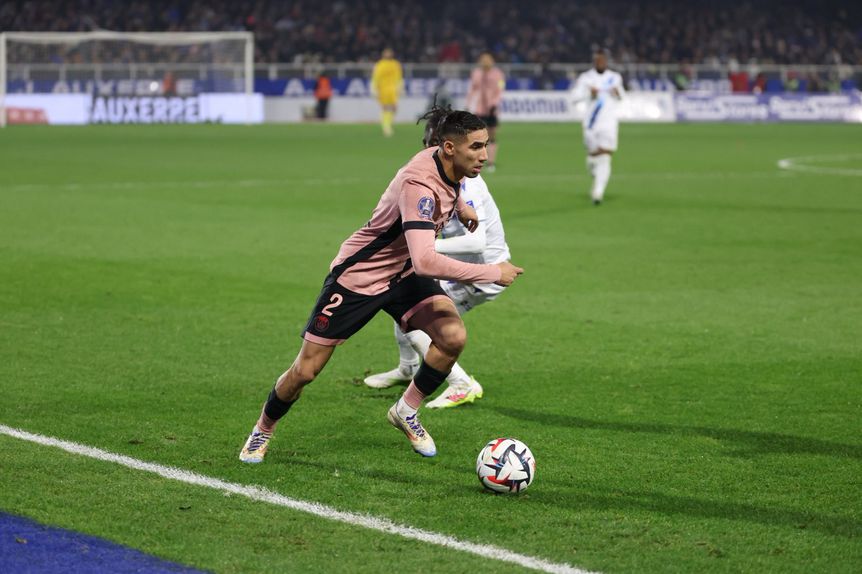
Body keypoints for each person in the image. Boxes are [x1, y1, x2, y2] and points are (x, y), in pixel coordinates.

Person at [239, 107, 524, 463]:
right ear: (449, 148)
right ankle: (262, 429)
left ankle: (405, 411)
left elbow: (446, 191)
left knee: (452, 337)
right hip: (361, 277)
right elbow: (426, 261)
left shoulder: (444, 161)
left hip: (404, 276)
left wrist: (462, 205)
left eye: (486, 145)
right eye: (477, 147)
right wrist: (492, 272)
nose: (484, 154)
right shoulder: (419, 186)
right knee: (306, 370)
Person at [364, 116, 512, 409]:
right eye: (429, 144)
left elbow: (476, 243)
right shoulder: (435, 175)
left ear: (451, 147)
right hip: (461, 267)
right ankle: (408, 368)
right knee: (402, 302)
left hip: (482, 273)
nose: (433, 152)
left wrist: (424, 248)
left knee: (418, 318)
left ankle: (462, 384)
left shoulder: (467, 183)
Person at [571, 49, 625, 205]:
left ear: (606, 61)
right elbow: (574, 97)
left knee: (606, 156)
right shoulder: (586, 78)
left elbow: (622, 96)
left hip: (609, 123)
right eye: (598, 60)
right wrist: (589, 94)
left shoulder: (615, 78)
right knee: (594, 157)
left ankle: (598, 192)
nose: (600, 63)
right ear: (594, 61)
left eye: (603, 60)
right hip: (591, 124)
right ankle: (594, 168)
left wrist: (617, 93)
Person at [466, 52, 505, 172]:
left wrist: (495, 103)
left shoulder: (498, 74)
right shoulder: (476, 73)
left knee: (491, 136)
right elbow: (472, 89)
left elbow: (500, 89)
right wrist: (468, 104)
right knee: (478, 136)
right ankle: (477, 160)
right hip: (480, 109)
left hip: (492, 109)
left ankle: (491, 162)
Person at [370, 47, 403, 137]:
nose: (388, 54)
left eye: (389, 53)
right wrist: (374, 88)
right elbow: (375, 77)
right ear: (383, 54)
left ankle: (388, 124)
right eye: (386, 53)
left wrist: (400, 87)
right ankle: (386, 126)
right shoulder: (380, 65)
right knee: (385, 108)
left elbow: (399, 77)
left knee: (394, 108)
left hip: (393, 89)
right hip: (383, 89)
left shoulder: (395, 64)